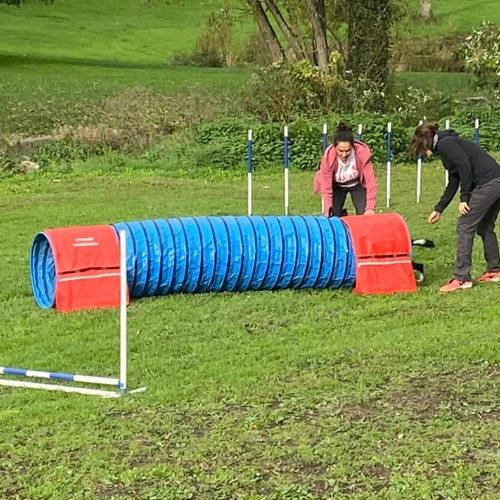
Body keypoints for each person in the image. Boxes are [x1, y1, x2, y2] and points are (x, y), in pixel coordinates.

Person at [410, 122, 500, 292]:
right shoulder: (447, 145)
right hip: (496, 181)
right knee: (485, 226)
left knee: (464, 226)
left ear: (425, 142)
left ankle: (461, 278)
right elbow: (454, 180)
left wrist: (464, 198)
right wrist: (439, 209)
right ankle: (494, 271)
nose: (423, 153)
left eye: (421, 149)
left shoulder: (445, 144)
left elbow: (465, 166)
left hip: (488, 183)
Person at [314, 122, 377, 217]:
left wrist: (370, 208)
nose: (344, 155)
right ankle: (342, 216)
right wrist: (328, 209)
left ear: (352, 146)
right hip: (337, 186)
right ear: (335, 147)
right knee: (332, 217)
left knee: (365, 216)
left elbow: (371, 182)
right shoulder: (328, 158)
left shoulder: (362, 154)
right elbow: (326, 187)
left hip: (357, 185)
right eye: (340, 151)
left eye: (348, 151)